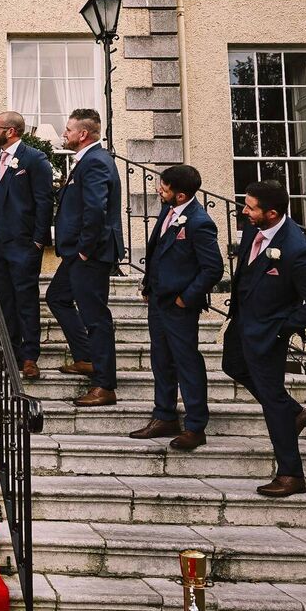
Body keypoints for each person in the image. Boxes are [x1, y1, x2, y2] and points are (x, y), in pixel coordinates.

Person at [222, 180, 306, 498]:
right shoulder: (254, 228)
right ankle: (295, 411)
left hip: (269, 334)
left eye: (250, 207)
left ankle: (291, 474)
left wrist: (283, 328)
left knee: (273, 402)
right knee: (232, 365)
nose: (244, 211)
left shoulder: (297, 251)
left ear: (271, 213)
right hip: (242, 323)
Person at [130, 164, 223, 450]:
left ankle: (195, 426)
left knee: (187, 363)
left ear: (181, 195)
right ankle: (164, 415)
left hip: (180, 305)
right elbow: (157, 251)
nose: (159, 190)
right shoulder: (168, 211)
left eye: (165, 188)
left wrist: (186, 297)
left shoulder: (199, 222)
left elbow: (213, 269)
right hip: (158, 300)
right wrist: (148, 285)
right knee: (161, 360)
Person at [47, 108, 124, 397]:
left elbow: (95, 209)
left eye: (68, 129)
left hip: (89, 254)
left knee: (96, 317)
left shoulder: (95, 162)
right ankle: (87, 358)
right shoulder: (87, 161)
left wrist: (84, 250)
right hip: (78, 252)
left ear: (83, 134)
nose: (64, 134)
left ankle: (104, 385)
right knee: (57, 297)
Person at [0, 111, 54, 378]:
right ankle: (9, 351)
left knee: (26, 299)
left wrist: (37, 240)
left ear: (10, 131)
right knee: (4, 300)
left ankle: (29, 356)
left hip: (23, 243)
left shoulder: (35, 160)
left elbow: (44, 201)